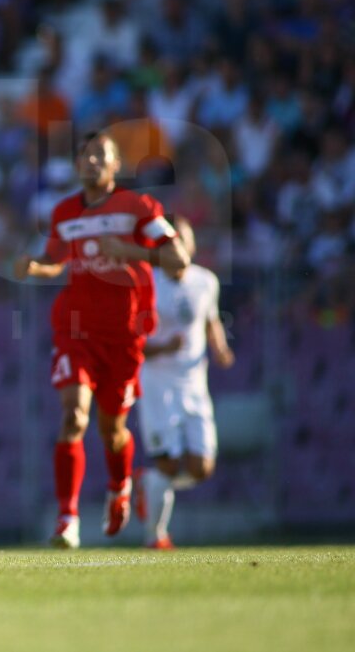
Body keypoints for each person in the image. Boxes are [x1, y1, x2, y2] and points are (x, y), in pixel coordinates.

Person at [14, 132, 189, 549]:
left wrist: (134, 253)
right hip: (75, 330)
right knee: (74, 416)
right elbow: (55, 263)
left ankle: (119, 485)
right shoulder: (64, 212)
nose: (92, 161)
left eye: (101, 155)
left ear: (115, 166)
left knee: (113, 430)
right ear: (77, 165)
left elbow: (178, 261)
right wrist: (33, 268)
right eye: (85, 155)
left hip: (124, 336)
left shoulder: (138, 208)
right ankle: (67, 519)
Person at [135, 216, 233, 549]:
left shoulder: (206, 281)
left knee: (201, 467)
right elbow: (132, 340)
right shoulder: (147, 283)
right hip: (159, 382)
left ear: (191, 245)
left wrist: (219, 348)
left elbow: (211, 319)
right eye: (171, 243)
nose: (178, 248)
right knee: (167, 461)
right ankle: (155, 535)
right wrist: (163, 347)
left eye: (183, 241)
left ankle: (149, 484)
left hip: (194, 383)